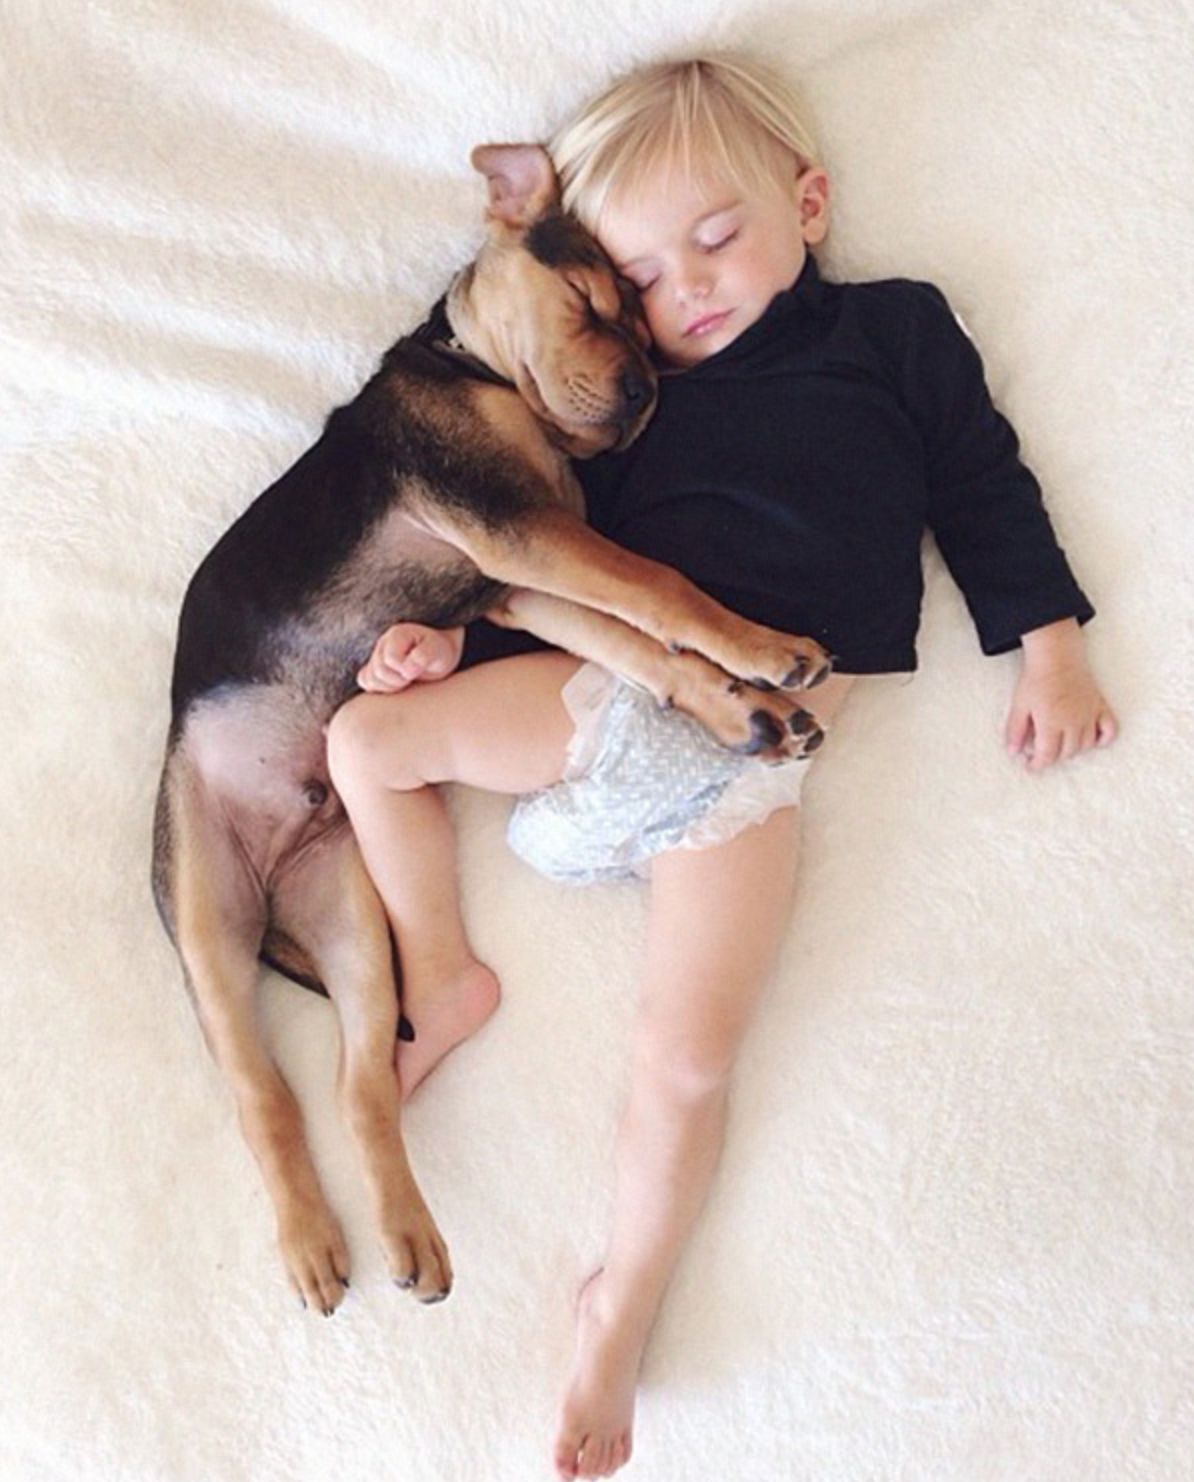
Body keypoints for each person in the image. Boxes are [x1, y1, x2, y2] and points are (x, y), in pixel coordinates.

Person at [326, 54, 1118, 1480]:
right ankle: (440, 971)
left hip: (748, 771)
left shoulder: (893, 333)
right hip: (602, 692)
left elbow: (982, 481)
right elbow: (552, 554)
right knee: (362, 738)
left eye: (717, 237)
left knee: (688, 1058)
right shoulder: (625, 403)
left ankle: (619, 1305)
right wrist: (445, 641)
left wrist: (1049, 647)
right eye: (641, 277)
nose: (685, 291)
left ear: (807, 205)